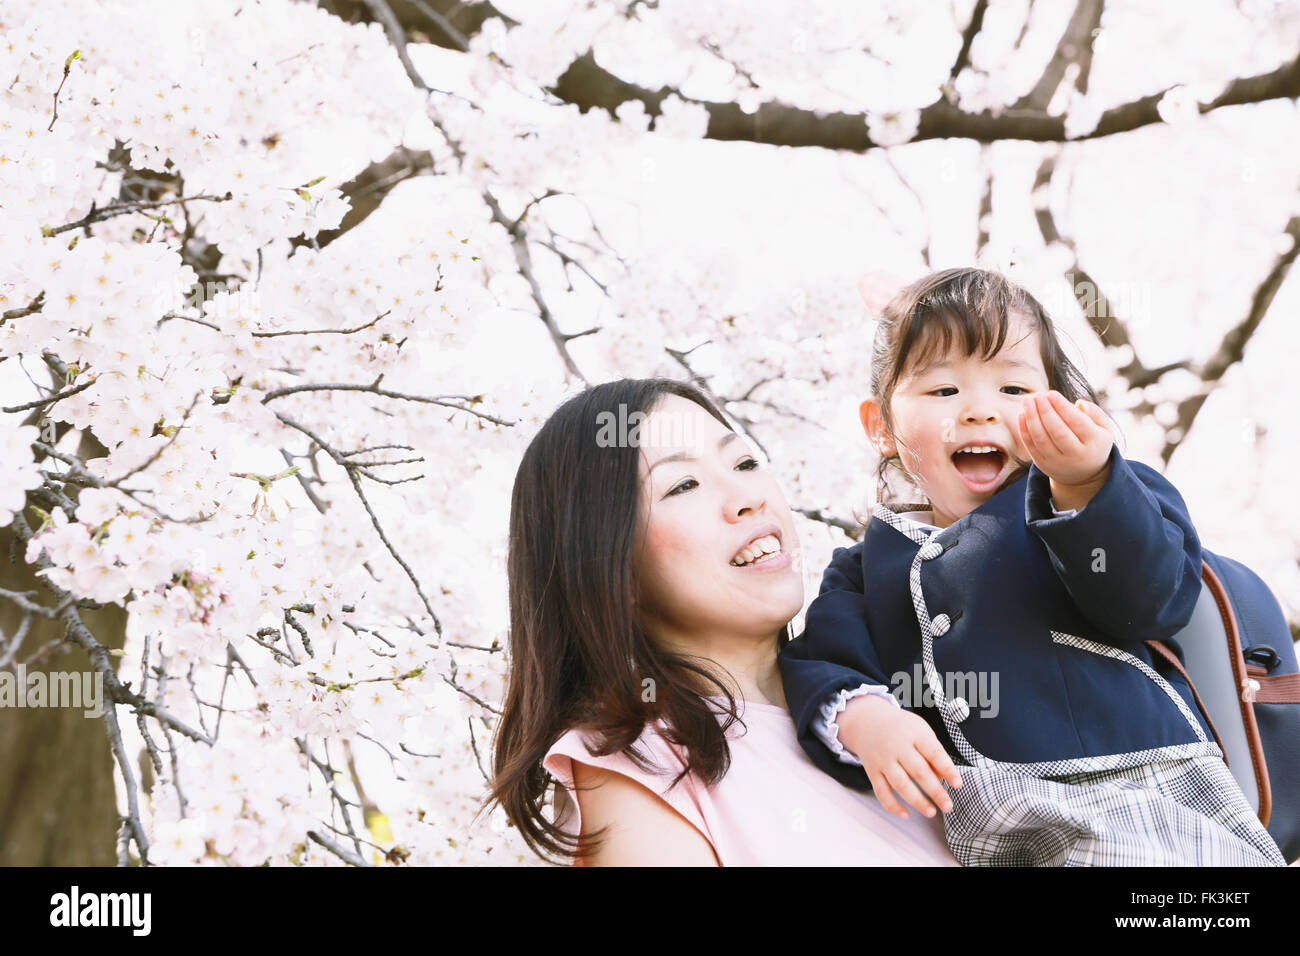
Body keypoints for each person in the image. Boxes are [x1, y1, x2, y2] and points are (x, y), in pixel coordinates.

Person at [778, 267, 1286, 866]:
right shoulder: (863, 570)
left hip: (1140, 784)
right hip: (987, 816)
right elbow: (822, 662)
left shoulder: (1091, 498)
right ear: (882, 428)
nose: (979, 411)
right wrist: (867, 719)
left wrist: (1088, 483)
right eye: (944, 391)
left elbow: (1154, 596)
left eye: (1014, 391)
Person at [486, 377, 960, 865]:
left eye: (746, 463)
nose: (748, 497)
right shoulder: (635, 768)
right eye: (683, 485)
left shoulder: (898, 680)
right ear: (609, 565)